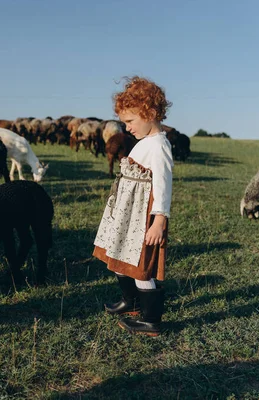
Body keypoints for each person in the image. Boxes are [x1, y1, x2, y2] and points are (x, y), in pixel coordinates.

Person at [93, 76, 174, 336]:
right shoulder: (145, 141)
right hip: (127, 213)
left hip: (143, 216)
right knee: (120, 256)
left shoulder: (159, 146)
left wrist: (159, 219)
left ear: (149, 113)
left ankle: (150, 320)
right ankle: (131, 301)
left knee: (141, 266)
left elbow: (163, 184)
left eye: (130, 121)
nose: (126, 128)